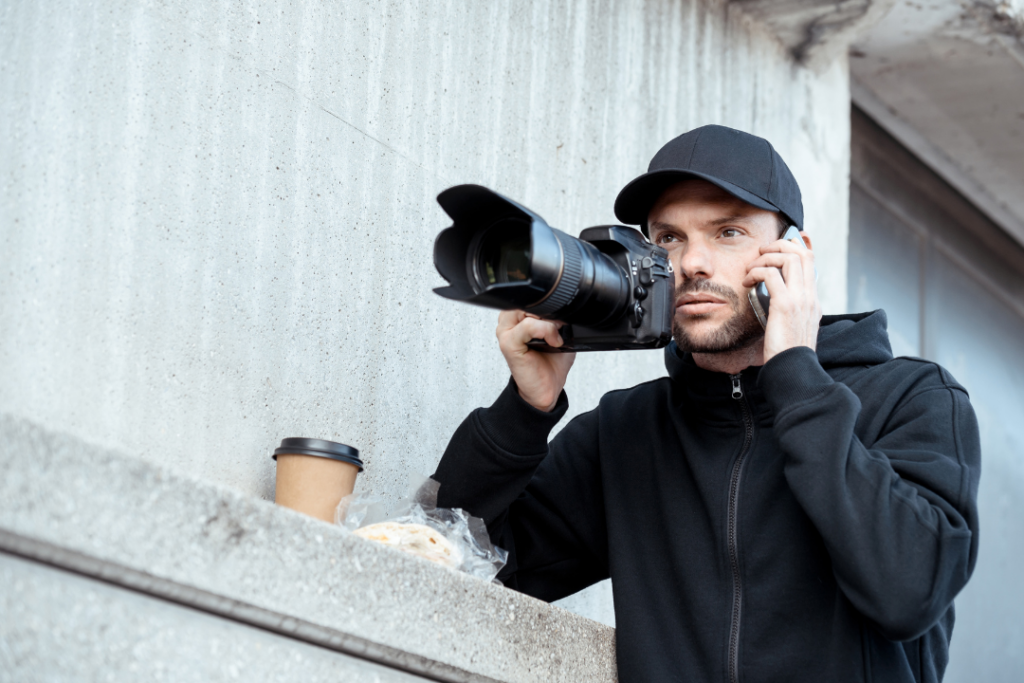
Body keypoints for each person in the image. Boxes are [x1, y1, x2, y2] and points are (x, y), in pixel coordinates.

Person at [431, 125, 980, 683]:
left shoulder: (912, 398)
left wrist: (796, 376)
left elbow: (909, 591)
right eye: (668, 238)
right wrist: (525, 410)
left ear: (796, 257)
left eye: (729, 232)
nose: (693, 262)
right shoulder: (627, 431)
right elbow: (453, 557)